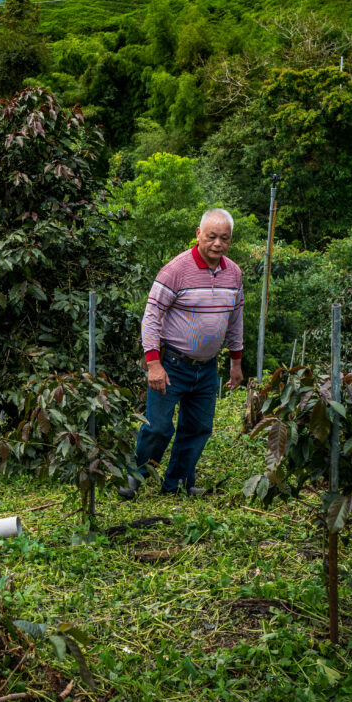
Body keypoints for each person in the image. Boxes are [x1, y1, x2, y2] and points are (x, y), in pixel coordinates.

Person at [118, 208, 244, 497]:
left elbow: (236, 319)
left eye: (224, 238)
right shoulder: (175, 270)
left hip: (207, 367)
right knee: (159, 427)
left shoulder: (234, 273)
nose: (217, 243)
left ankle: (176, 484)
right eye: (211, 236)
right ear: (198, 234)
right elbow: (151, 316)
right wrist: (154, 364)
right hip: (172, 363)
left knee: (198, 427)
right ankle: (135, 476)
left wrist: (236, 363)